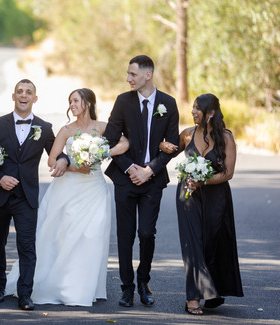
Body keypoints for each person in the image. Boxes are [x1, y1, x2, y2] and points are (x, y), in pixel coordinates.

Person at [0, 88, 129, 306]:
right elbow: (53, 160)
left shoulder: (103, 127)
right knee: (63, 237)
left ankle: (82, 287)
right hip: (69, 187)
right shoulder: (66, 129)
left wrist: (103, 152)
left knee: (92, 236)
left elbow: (124, 143)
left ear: (88, 103)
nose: (72, 105)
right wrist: (70, 164)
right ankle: (56, 285)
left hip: (95, 189)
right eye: (70, 102)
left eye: (76, 101)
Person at [0, 79, 69, 310]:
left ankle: (25, 294)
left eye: (28, 92)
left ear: (35, 98)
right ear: (13, 96)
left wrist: (64, 159)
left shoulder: (44, 127)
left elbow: (57, 152)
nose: (23, 95)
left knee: (27, 247)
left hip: (26, 197)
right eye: (20, 91)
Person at [103, 55, 179, 308]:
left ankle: (143, 280)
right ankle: (126, 289)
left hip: (152, 180)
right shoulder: (123, 101)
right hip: (125, 178)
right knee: (125, 236)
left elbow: (171, 146)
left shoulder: (168, 103)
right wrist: (130, 168)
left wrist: (149, 170)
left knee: (146, 233)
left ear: (148, 75)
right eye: (128, 74)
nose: (128, 79)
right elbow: (112, 140)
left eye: (132, 74)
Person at [159, 93, 243, 315]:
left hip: (217, 198)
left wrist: (202, 181)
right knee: (192, 244)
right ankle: (192, 299)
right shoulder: (187, 134)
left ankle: (212, 291)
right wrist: (162, 145)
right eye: (193, 107)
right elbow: (169, 151)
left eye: (198, 108)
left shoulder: (226, 138)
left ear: (211, 113)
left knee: (211, 242)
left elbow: (228, 173)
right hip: (187, 195)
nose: (193, 111)